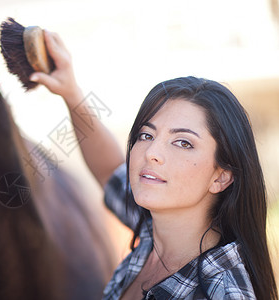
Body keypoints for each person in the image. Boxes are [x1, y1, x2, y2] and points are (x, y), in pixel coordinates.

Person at [29, 30, 277, 299]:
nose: (151, 153)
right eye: (146, 135)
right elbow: (109, 170)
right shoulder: (154, 229)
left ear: (221, 176)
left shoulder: (224, 293)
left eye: (183, 143)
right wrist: (71, 92)